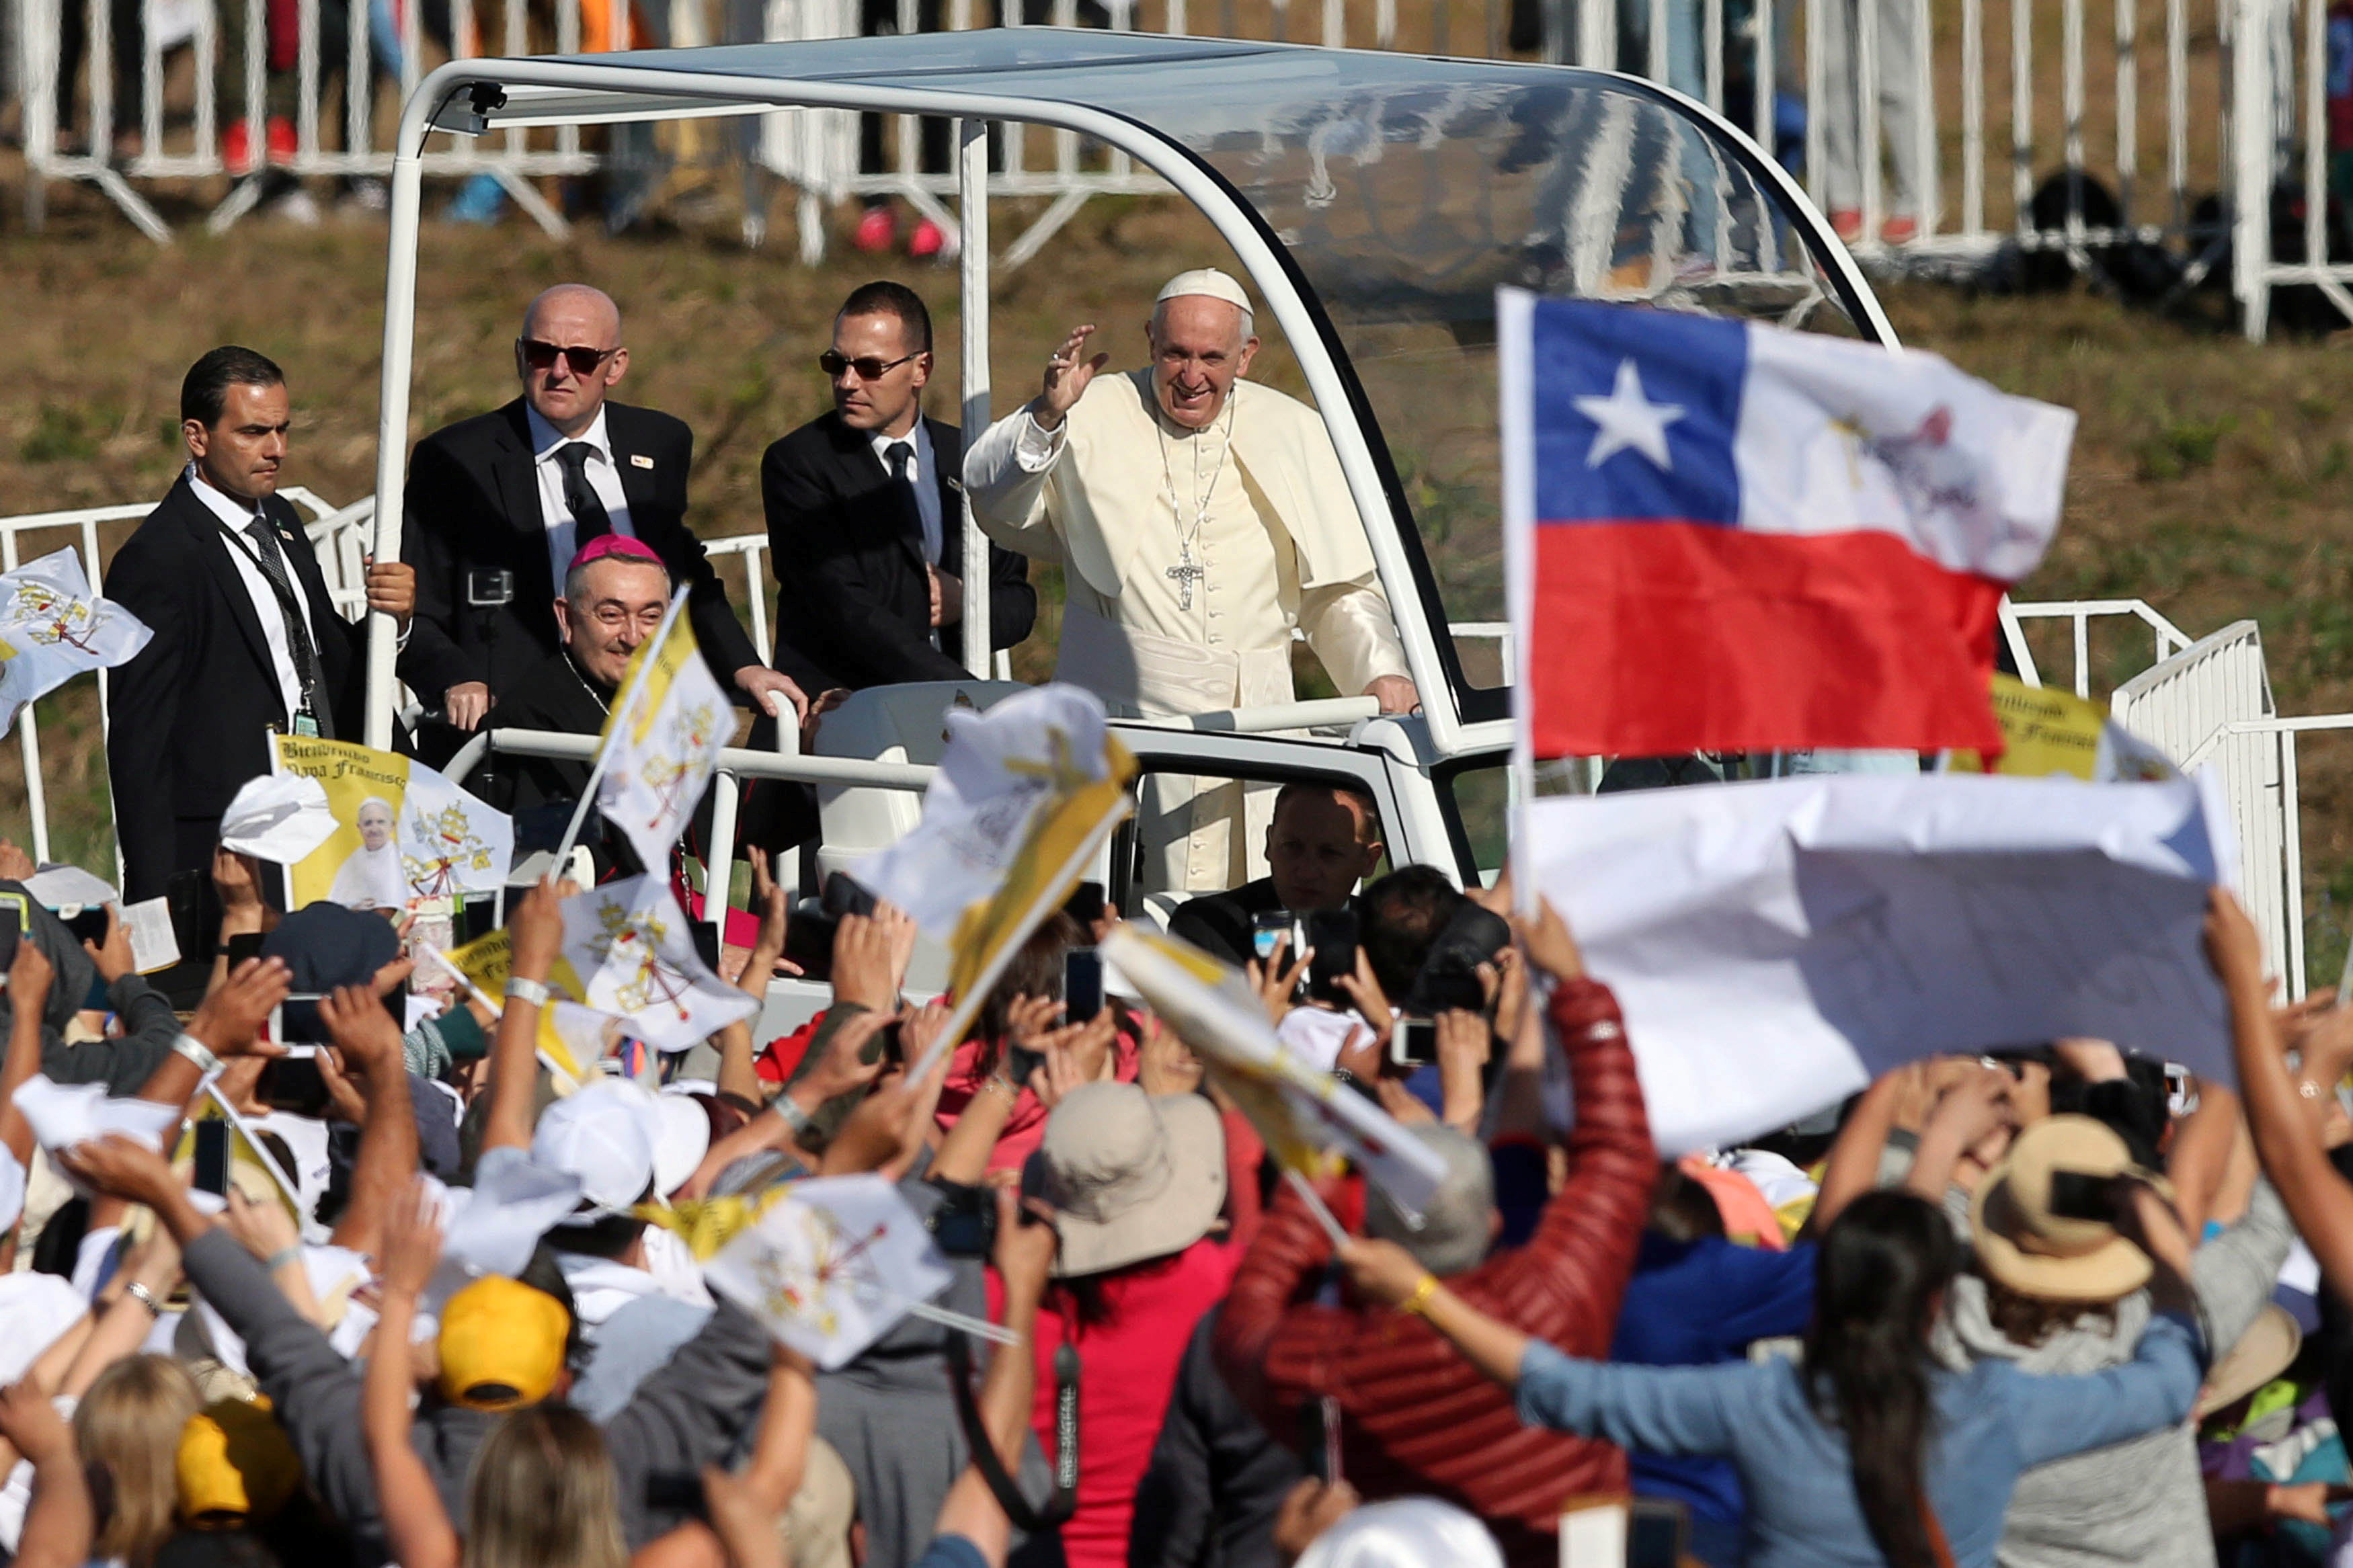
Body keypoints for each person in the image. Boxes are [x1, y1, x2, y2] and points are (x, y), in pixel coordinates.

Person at [1339, 1184, 2208, 1568]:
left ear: (1819, 1294)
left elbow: (1567, 1390)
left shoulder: (1762, 1401)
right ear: (1938, 1303)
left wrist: (1421, 1292)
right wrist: (2166, 1255)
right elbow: (2170, 1386)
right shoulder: (2002, 1405)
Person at [1214, 903, 1654, 1568]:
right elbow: (1619, 1155)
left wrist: (1332, 1144)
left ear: (1368, 1227)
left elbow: (1242, 1325)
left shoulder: (1315, 1359)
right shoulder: (1553, 1300)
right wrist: (1573, 987)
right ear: (1493, 1219)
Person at [963, 268, 1417, 892]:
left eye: (1212, 357)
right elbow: (994, 503)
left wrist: (1379, 671)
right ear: (1151, 340)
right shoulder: (1089, 409)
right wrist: (1045, 415)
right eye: (1176, 353)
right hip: (1124, 722)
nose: (1192, 375)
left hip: (1260, 723)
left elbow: (1334, 589)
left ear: (1247, 356)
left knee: (1255, 913)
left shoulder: (1293, 429)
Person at [399, 284, 806, 739]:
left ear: (616, 366)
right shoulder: (456, 460)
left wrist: (743, 665)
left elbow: (685, 569)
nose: (559, 371)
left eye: (581, 358)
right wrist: (457, 678)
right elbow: (415, 608)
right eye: (541, 352)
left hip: (647, 721)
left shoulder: (659, 442)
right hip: (517, 729)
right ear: (519, 356)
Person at [105, 346, 419, 905]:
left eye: (282, 430)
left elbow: (321, 653)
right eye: (253, 432)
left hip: (335, 818)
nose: (277, 450)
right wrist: (152, 897)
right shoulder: (157, 560)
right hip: (235, 850)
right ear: (197, 437)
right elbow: (139, 741)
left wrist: (393, 622)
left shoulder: (281, 518)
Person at [761, 281, 1037, 692]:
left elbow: (1018, 602)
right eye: (836, 365)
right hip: (841, 704)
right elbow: (845, 609)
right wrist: (968, 694)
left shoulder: (968, 457)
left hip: (947, 714)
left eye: (870, 368)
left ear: (920, 369)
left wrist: (966, 603)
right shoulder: (800, 462)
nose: (848, 383)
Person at [1164, 781, 1384, 967]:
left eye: (1329, 853)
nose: (1306, 871)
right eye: (1292, 847)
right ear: (1269, 843)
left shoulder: (1391, 937)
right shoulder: (1209, 930)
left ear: (1369, 860)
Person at [325, 796, 405, 911]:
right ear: (359, 828)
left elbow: (400, 904)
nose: (374, 829)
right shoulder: (354, 859)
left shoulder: (401, 858)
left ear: (392, 826)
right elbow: (335, 905)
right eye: (368, 823)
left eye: (380, 822)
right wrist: (354, 909)